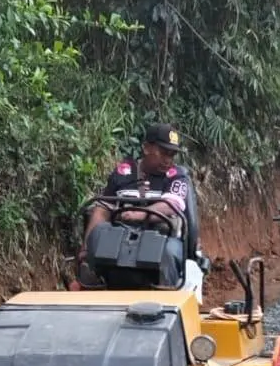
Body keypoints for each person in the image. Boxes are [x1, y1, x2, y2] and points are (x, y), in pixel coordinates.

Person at [78, 123, 198, 291]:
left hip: (163, 238)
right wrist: (86, 247)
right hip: (122, 237)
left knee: (170, 253)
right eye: (163, 153)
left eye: (172, 155)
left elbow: (171, 204)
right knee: (98, 237)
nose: (168, 160)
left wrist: (137, 215)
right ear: (147, 148)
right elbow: (103, 208)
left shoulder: (177, 176)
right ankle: (92, 292)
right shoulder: (123, 172)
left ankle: (167, 299)